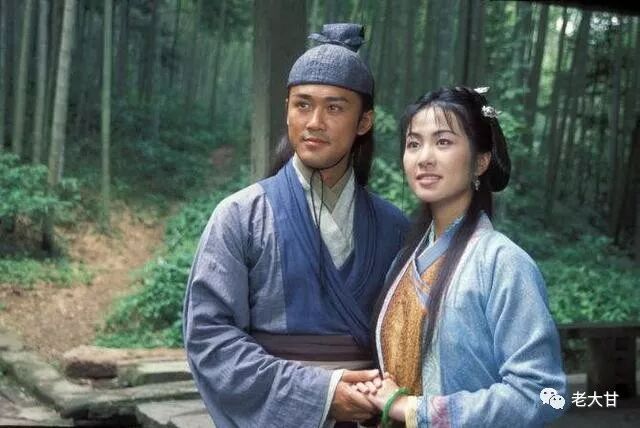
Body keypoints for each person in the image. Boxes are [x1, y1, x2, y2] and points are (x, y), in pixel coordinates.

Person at [183, 23, 409, 428]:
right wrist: (320, 395)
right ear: (287, 109)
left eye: (334, 108)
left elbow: (412, 341)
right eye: (302, 105)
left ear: (364, 121)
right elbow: (209, 337)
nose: (314, 122)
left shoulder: (395, 228)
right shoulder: (241, 216)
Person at [354, 87, 567, 427]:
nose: (424, 157)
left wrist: (414, 409)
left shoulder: (503, 263)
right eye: (414, 144)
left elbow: (544, 394)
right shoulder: (402, 262)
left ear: (481, 161)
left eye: (443, 142)